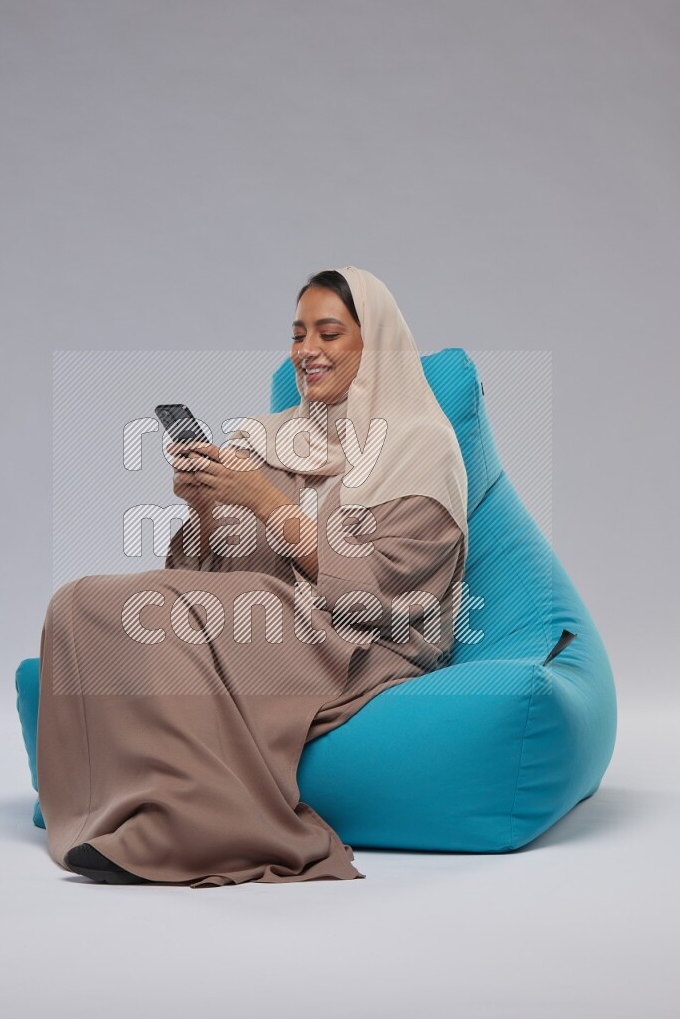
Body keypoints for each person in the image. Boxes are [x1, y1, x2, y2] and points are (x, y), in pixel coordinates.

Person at [36, 265, 469, 887]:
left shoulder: (419, 445)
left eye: (328, 334)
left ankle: (202, 829)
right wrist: (207, 510)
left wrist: (266, 502)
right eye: (297, 335)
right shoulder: (267, 439)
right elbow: (210, 572)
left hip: (360, 641)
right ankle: (112, 812)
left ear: (373, 343)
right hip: (264, 619)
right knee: (80, 602)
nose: (307, 351)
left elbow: (390, 592)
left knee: (167, 612)